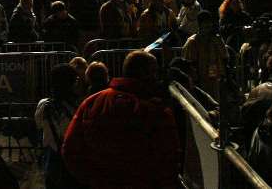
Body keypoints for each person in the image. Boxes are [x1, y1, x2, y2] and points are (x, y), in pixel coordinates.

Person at [62, 50, 182, 189]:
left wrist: (92, 179)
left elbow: (70, 148)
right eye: (155, 72)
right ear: (147, 74)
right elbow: (168, 157)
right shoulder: (155, 110)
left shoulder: (93, 101)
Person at [35, 63, 81, 189]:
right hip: (72, 160)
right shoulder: (77, 108)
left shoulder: (43, 105)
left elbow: (39, 125)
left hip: (52, 160)